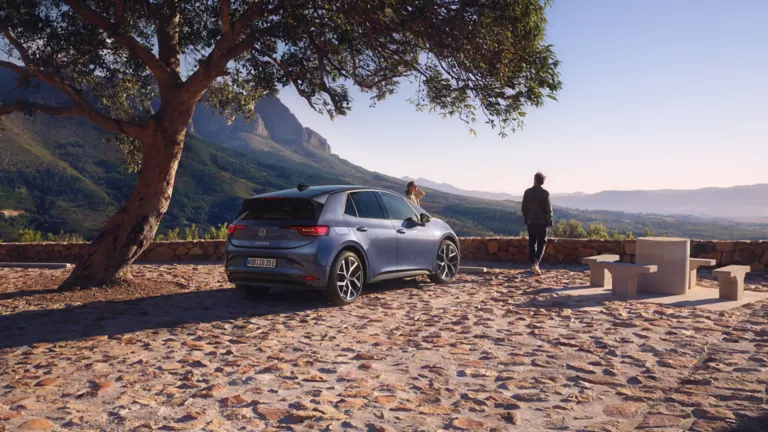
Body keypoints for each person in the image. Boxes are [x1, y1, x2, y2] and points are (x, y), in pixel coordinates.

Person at [521, 172, 553, 275]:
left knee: (532, 242)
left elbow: (524, 208)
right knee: (541, 243)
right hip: (542, 222)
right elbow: (548, 209)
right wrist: (549, 220)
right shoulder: (545, 193)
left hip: (531, 221)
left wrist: (526, 217)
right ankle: (536, 262)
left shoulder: (527, 192)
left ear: (534, 180)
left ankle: (533, 263)